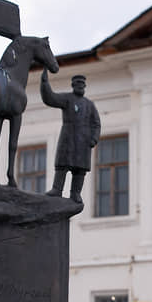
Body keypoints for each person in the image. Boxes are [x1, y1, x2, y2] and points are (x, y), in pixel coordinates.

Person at [40, 69, 101, 203]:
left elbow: (96, 123)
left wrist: (94, 138)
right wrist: (44, 84)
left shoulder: (89, 105)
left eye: (82, 84)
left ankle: (75, 193)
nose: (80, 86)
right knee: (62, 165)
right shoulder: (67, 98)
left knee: (80, 169)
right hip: (68, 137)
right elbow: (50, 98)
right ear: (73, 85)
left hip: (84, 141)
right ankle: (57, 189)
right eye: (78, 84)